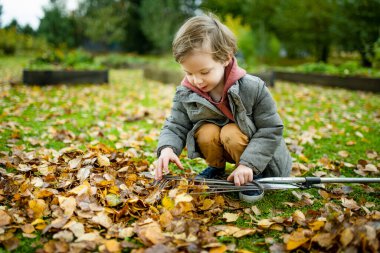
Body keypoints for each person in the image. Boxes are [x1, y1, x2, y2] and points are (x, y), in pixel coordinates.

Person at [154, 13, 292, 202]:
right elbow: (175, 124)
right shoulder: (187, 91)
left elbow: (271, 128)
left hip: (261, 159)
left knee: (231, 132)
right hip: (224, 146)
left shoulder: (252, 87)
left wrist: (248, 164)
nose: (196, 80)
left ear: (226, 58)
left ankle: (251, 176)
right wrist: (167, 148)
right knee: (206, 131)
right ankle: (217, 167)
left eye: (204, 72)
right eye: (188, 73)